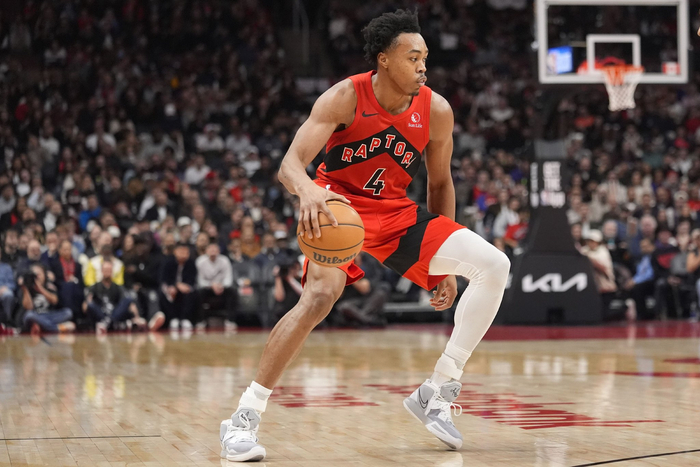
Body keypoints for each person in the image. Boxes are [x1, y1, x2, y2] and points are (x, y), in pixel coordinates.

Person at [218, 10, 510, 462]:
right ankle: (244, 417)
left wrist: (447, 269)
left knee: (494, 265)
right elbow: (290, 165)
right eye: (412, 58)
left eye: (425, 58)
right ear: (383, 60)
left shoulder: (436, 110)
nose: (423, 67)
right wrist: (309, 190)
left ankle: (438, 388)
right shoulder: (344, 97)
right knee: (319, 298)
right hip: (337, 208)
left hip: (395, 213)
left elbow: (439, 184)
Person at [84, 261, 146, 332]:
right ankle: (113, 324)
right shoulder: (95, 287)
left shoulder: (117, 287)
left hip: (114, 313)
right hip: (101, 313)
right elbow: (86, 306)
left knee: (128, 299)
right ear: (101, 271)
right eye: (105, 270)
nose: (107, 272)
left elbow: (128, 302)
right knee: (90, 305)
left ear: (112, 271)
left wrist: (137, 317)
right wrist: (88, 302)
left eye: (109, 270)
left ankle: (107, 323)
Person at [20, 264, 74, 334]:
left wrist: (40, 289)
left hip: (49, 315)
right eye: (35, 275)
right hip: (36, 315)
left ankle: (41, 326)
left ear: (44, 275)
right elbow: (28, 307)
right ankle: (56, 328)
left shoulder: (49, 286)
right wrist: (25, 290)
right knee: (29, 315)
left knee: (68, 312)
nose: (37, 277)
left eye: (39, 274)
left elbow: (54, 301)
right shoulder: (27, 288)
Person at [196, 242, 236, 330]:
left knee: (232, 292)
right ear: (206, 251)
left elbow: (228, 278)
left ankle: (230, 320)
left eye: (215, 249)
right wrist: (211, 285)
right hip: (207, 288)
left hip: (222, 288)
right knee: (198, 293)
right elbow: (200, 281)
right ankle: (201, 321)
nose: (213, 251)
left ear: (219, 251)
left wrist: (221, 286)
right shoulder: (200, 261)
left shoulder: (225, 260)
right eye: (210, 249)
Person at [160, 243, 198, 331]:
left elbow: (192, 279)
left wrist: (186, 286)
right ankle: (173, 319)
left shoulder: (191, 263)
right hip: (170, 286)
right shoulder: (168, 262)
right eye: (181, 251)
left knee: (191, 294)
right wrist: (174, 285)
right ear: (175, 252)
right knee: (165, 294)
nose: (183, 254)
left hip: (185, 286)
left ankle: (185, 319)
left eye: (186, 252)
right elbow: (164, 278)